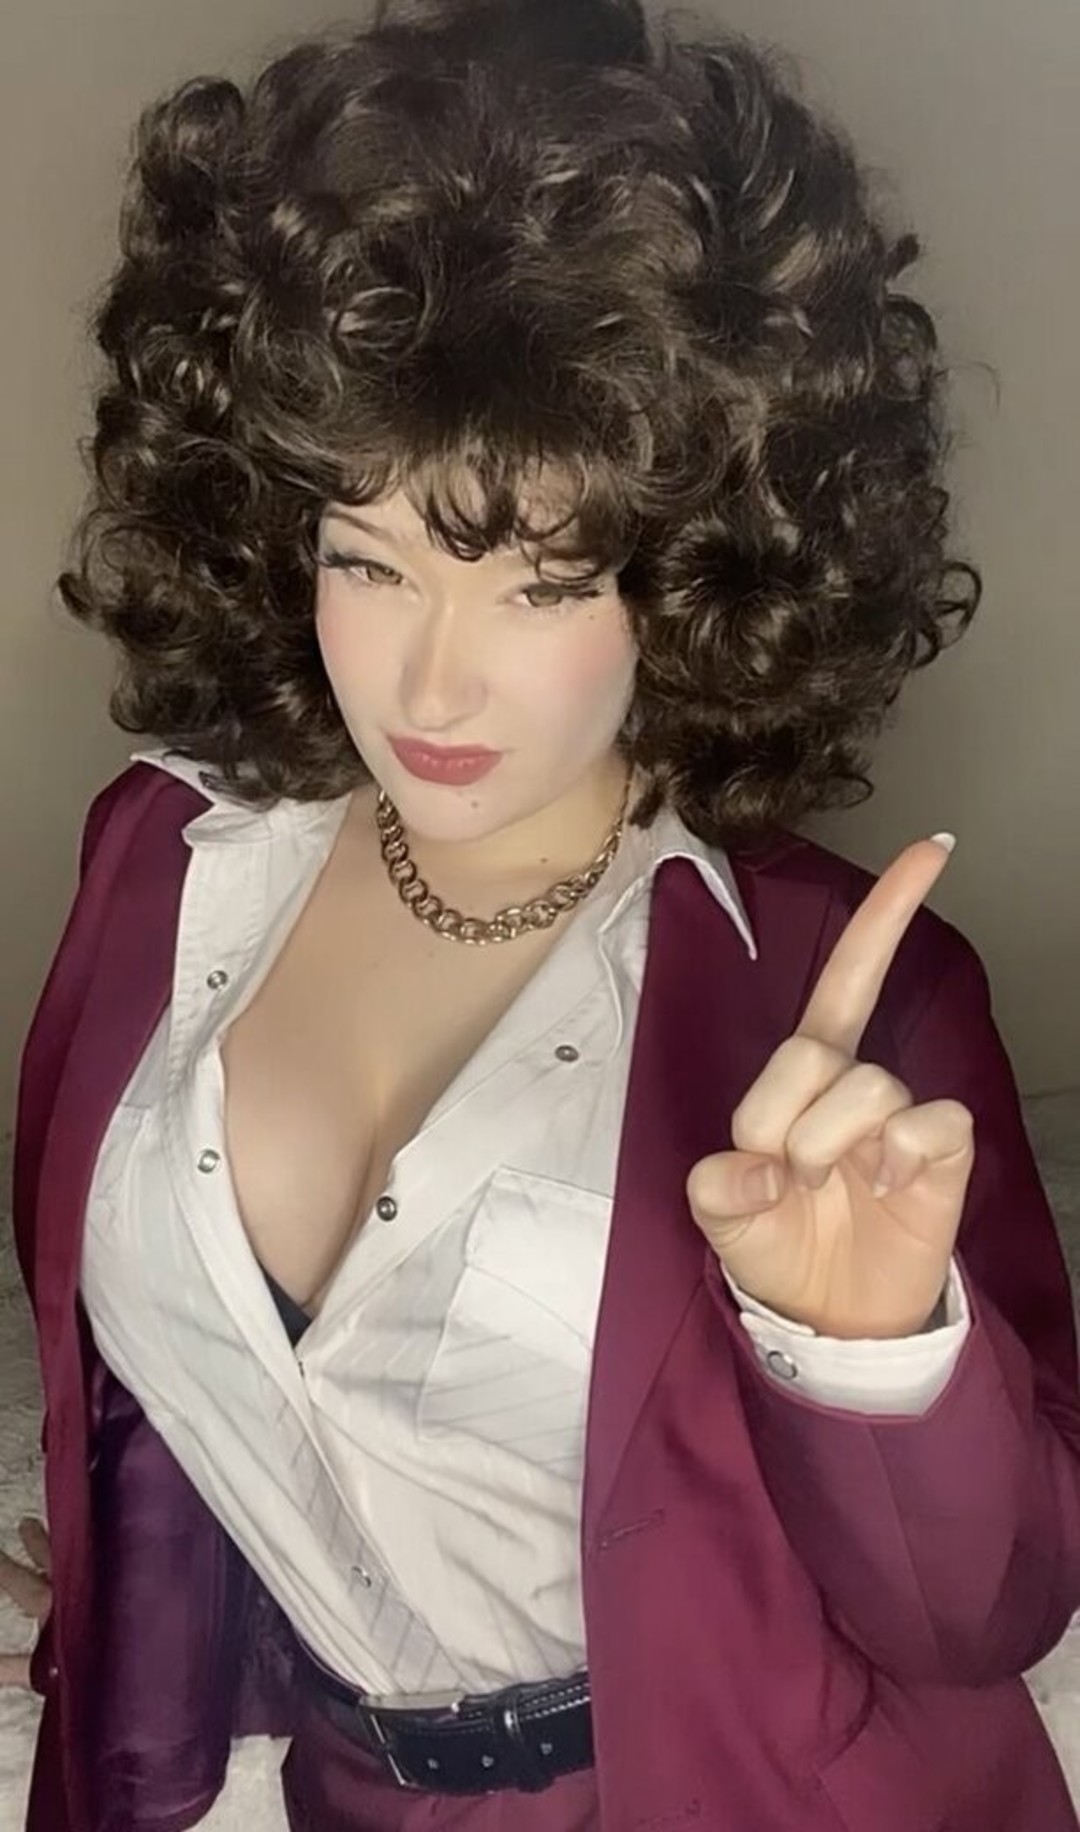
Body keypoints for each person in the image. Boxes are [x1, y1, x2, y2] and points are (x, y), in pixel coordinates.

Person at [3, 0, 1079, 1827]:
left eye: (540, 581)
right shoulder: (165, 863)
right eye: (368, 560)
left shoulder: (845, 997)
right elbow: (153, 1399)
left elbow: (992, 1613)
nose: (431, 679)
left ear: (690, 567)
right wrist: (130, 1608)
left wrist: (874, 1357)